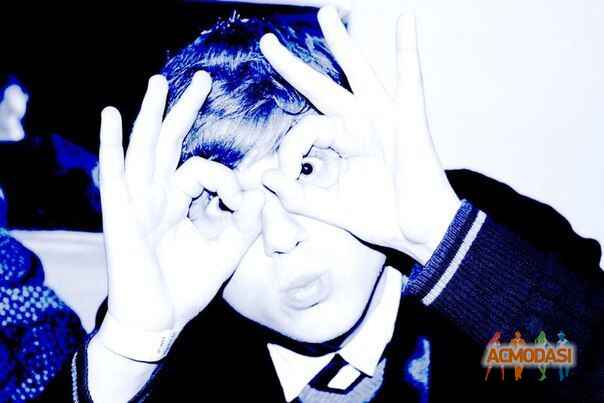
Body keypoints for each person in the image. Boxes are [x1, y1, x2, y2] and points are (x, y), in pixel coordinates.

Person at [40, 6, 604, 403]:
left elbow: (575, 365)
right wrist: (129, 350)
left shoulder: (488, 268)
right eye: (226, 204)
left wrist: (441, 240)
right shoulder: (176, 339)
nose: (281, 235)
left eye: (307, 170)